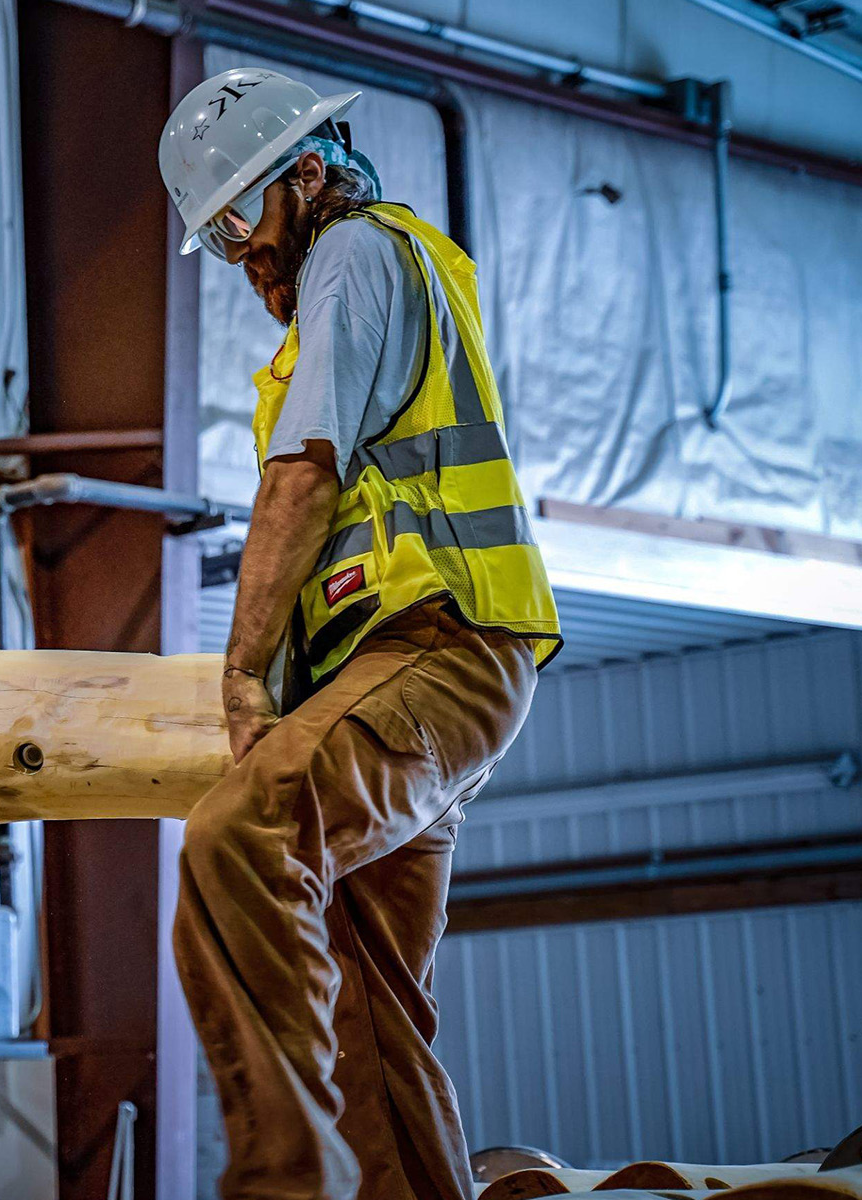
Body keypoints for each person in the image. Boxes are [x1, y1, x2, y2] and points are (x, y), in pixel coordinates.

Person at [158, 71, 563, 1200]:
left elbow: (303, 476)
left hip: (433, 653)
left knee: (238, 838)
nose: (244, 258)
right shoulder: (365, 283)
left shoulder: (353, 254)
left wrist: (239, 675)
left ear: (306, 171)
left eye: (240, 218)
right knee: (368, 1007)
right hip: (404, 676)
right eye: (219, 238)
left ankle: (285, 1183)